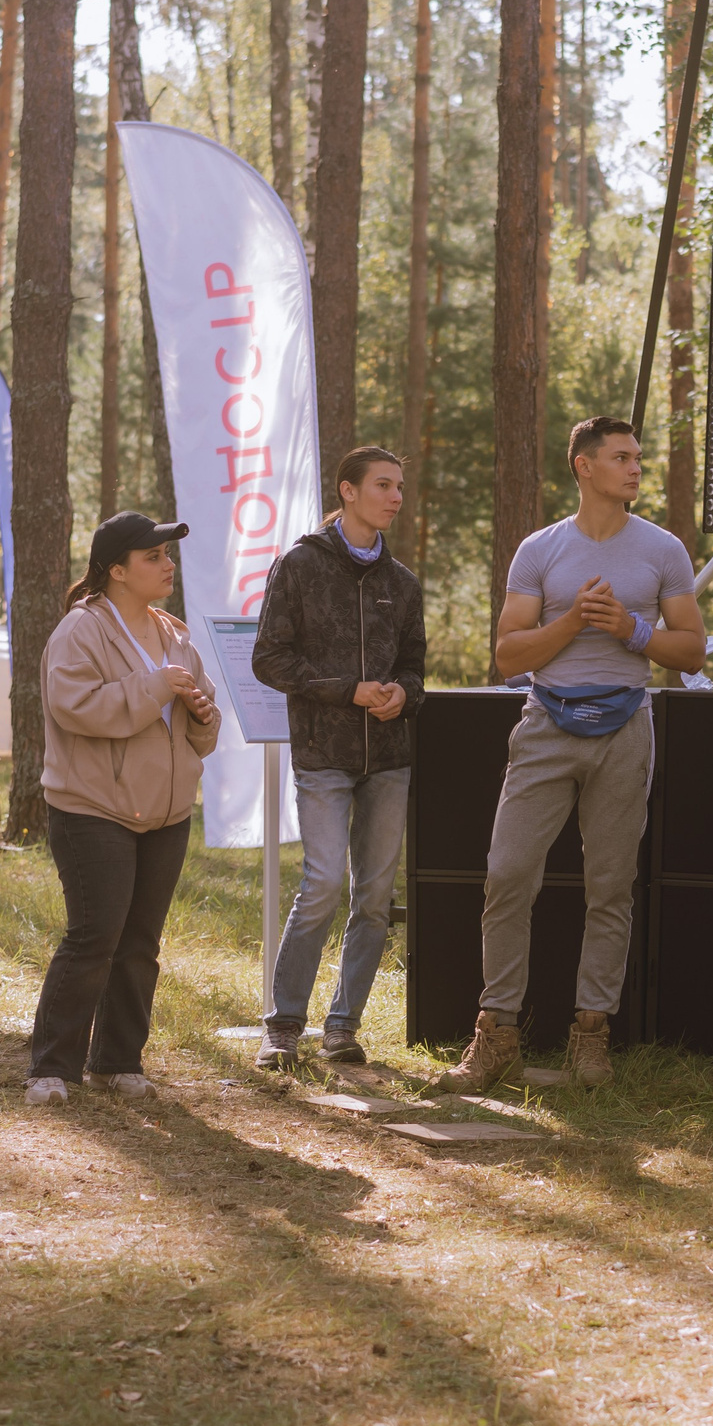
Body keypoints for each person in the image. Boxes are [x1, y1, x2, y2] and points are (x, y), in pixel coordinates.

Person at [434, 416, 710, 1093]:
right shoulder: (540, 549)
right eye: (621, 457)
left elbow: (692, 651)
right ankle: (496, 1036)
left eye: (637, 457)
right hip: (545, 726)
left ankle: (591, 1037)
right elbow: (508, 656)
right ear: (584, 466)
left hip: (625, 729)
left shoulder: (664, 549)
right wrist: (574, 621)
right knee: (507, 875)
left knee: (610, 886)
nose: (635, 467)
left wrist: (631, 629)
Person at [25, 513, 223, 1104]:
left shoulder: (174, 634)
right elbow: (76, 708)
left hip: (167, 814)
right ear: (116, 570)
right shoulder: (80, 630)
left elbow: (198, 727)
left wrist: (202, 715)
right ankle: (51, 1068)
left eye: (167, 555)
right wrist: (158, 687)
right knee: (95, 938)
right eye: (152, 557)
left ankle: (116, 1062)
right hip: (94, 809)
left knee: (140, 944)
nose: (167, 565)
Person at [250, 445, 428, 1073]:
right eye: (383, 485)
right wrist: (346, 690)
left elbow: (415, 668)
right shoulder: (298, 565)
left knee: (374, 898)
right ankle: (283, 1028)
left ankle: (342, 1028)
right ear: (348, 491)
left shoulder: (402, 583)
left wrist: (403, 694)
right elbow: (268, 659)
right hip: (323, 754)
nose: (395, 497)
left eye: (399, 486)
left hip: (390, 760)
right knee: (324, 883)